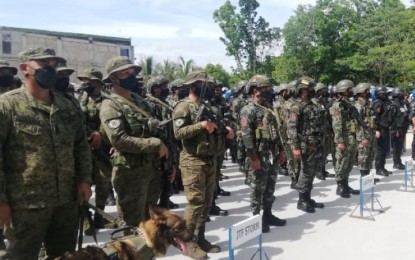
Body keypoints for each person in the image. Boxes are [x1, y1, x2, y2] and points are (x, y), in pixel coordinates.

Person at [0, 47, 92, 259]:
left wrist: (85, 180)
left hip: (66, 202)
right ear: (25, 68)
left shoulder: (68, 106)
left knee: (65, 255)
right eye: (45, 65)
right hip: (25, 206)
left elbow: (81, 146)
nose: (51, 70)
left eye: (54, 65)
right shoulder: (7, 106)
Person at [99, 56, 168, 232]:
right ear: (113, 78)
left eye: (132, 72)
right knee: (131, 227)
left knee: (150, 223)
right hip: (130, 173)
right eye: (126, 73)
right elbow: (119, 140)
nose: (131, 76)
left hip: (151, 168)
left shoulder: (139, 101)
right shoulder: (110, 105)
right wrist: (155, 144)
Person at [173, 70, 233, 259]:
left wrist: (227, 130)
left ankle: (200, 238)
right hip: (193, 161)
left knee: (207, 203)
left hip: (210, 159)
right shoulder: (184, 106)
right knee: (196, 204)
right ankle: (188, 243)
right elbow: (178, 132)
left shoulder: (209, 107)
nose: (207, 87)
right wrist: (200, 125)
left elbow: (217, 126)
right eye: (202, 84)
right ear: (192, 86)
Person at [240, 75, 286, 233]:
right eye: (265, 88)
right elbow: (246, 136)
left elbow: (277, 130)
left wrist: (280, 150)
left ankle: (268, 214)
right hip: (259, 155)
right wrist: (253, 158)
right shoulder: (248, 110)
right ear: (255, 90)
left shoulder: (269, 107)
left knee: (270, 186)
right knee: (257, 188)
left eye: (269, 88)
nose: (269, 91)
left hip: (271, 153)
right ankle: (256, 218)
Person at [77, 68, 115, 232]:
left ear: (99, 83)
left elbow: (111, 124)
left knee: (103, 184)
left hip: (102, 149)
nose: (85, 84)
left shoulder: (108, 101)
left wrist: (100, 134)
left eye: (89, 81)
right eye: (84, 80)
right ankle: (85, 219)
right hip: (83, 148)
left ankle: (100, 217)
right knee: (82, 184)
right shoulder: (78, 100)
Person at [287, 77, 325, 213]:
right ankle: (301, 200)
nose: (306, 92)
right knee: (305, 172)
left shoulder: (312, 104)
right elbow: (292, 128)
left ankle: (308, 198)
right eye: (304, 89)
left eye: (308, 89)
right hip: (305, 144)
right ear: (298, 90)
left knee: (312, 171)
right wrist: (295, 147)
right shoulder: (296, 106)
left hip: (315, 142)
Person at [329, 79, 360, 198]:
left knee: (350, 161)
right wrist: (339, 141)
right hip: (343, 138)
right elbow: (336, 125)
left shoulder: (349, 103)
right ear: (344, 90)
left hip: (351, 136)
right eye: (350, 89)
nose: (352, 90)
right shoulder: (337, 105)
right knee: (341, 162)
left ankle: (346, 184)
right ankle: (340, 186)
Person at [353, 83, 379, 181]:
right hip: (363, 135)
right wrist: (362, 138)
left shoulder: (367, 103)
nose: (368, 93)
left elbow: (371, 119)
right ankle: (364, 178)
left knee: (370, 155)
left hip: (370, 133)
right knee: (363, 157)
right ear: (361, 92)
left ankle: (367, 177)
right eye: (366, 91)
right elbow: (357, 123)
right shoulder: (358, 105)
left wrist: (375, 130)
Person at [372, 86, 392, 176]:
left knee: (384, 149)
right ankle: (378, 168)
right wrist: (376, 130)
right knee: (380, 150)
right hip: (381, 129)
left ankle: (382, 167)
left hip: (386, 128)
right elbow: (375, 118)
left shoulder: (384, 103)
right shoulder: (377, 103)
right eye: (385, 93)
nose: (387, 95)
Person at [389, 87, 408, 170]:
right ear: (398, 94)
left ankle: (399, 161)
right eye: (401, 94)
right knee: (397, 147)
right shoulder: (394, 105)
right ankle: (396, 163)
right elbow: (391, 119)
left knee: (400, 146)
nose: (403, 95)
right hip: (397, 128)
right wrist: (395, 130)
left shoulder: (401, 103)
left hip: (402, 128)